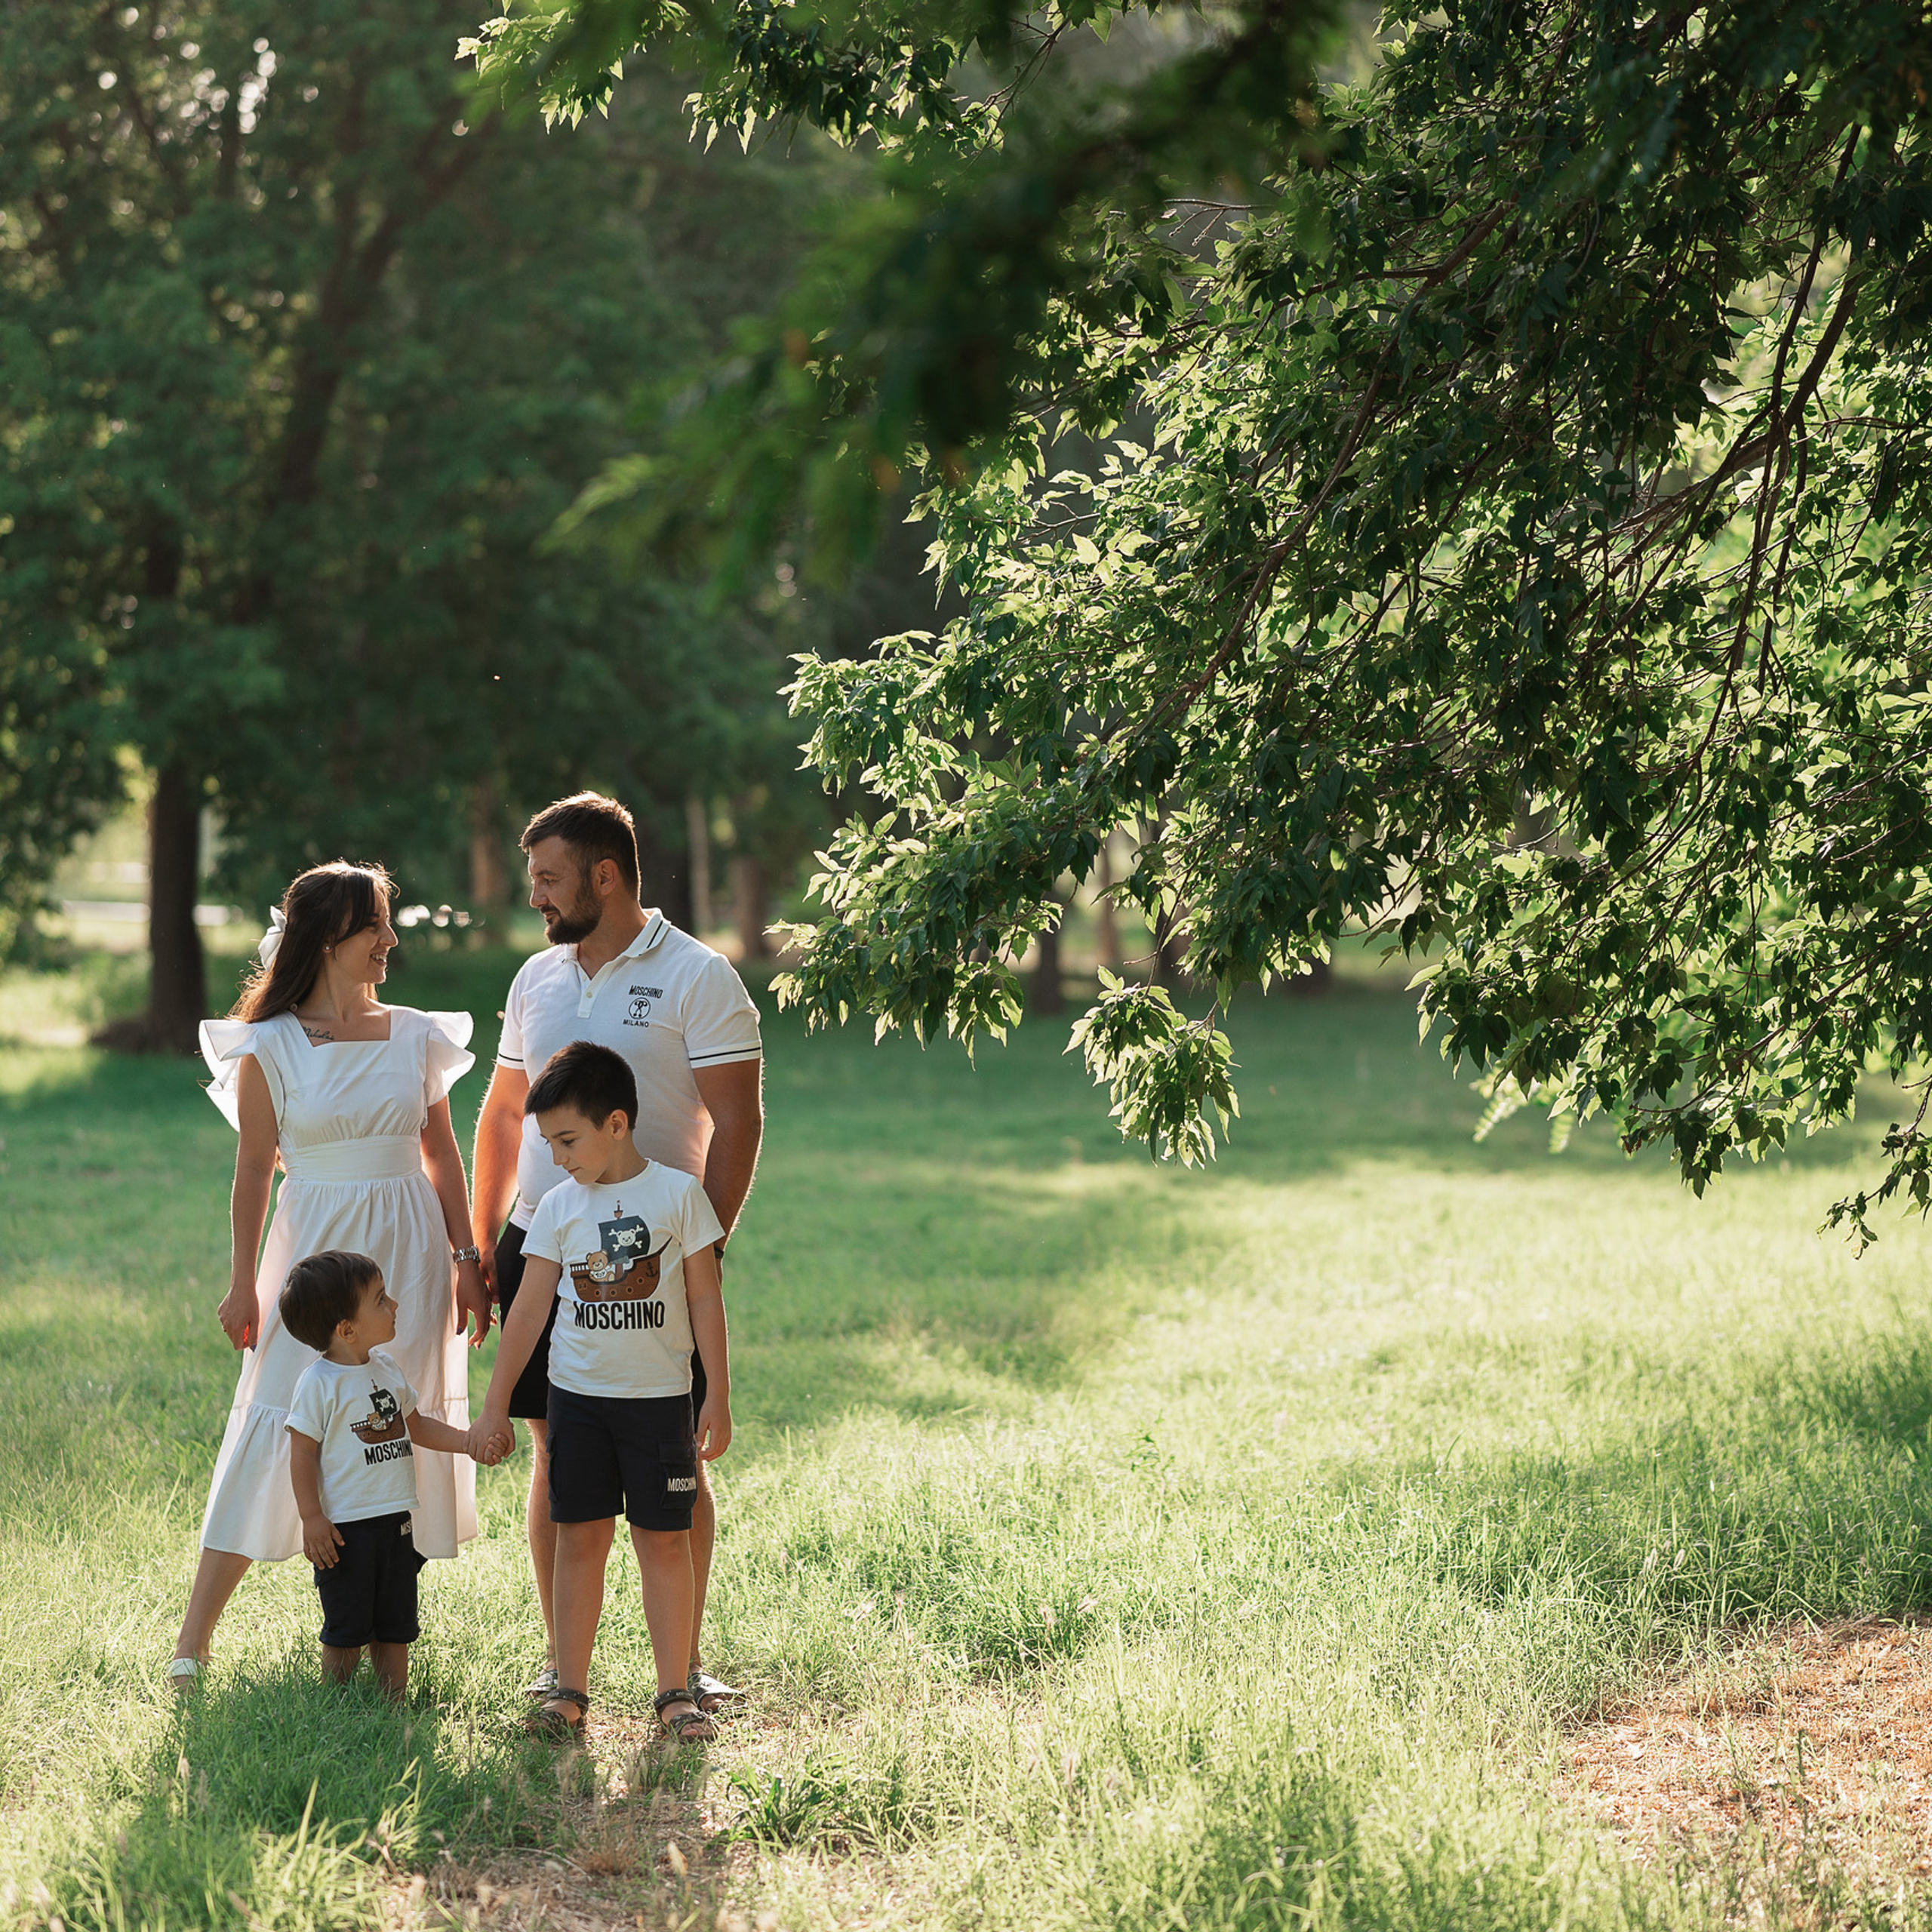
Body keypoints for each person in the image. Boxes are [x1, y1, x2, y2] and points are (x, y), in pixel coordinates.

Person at [167, 861, 494, 1687]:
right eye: (374, 925)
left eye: (387, 921)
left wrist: (465, 1260)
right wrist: (243, 1282)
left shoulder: (419, 1032)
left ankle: (382, 1640)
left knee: (389, 1419)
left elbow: (441, 1152)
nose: (391, 939)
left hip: (408, 1253)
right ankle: (192, 1641)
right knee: (273, 1417)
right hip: (309, 1253)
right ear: (326, 938)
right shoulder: (268, 1043)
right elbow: (252, 1172)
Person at [470, 793, 762, 1707]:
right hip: (538, 1245)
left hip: (654, 1255)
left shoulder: (699, 975)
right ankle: (566, 1669)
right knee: (560, 1456)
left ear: (606, 874)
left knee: (671, 1449)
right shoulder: (536, 978)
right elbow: (501, 1117)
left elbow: (740, 1121)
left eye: (551, 881)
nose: (539, 901)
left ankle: (684, 1670)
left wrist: (697, 1249)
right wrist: (480, 1248)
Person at [469, 1041, 731, 1743]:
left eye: (567, 1139)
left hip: (659, 1404)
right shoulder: (556, 1206)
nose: (557, 1156)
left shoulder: (677, 1195)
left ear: (617, 1124)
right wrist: (495, 1404)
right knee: (579, 1540)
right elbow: (525, 1312)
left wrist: (718, 1397)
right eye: (548, 1142)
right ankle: (569, 1691)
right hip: (576, 1402)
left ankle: (676, 1690)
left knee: (663, 1544)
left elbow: (706, 1299)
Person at [282, 1250, 501, 1697]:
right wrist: (311, 1517)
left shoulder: (385, 1370)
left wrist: (466, 1442)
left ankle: (392, 1702)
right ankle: (335, 1702)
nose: (395, 1305)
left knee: (396, 1619)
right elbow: (302, 1453)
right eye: (381, 1300)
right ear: (347, 1330)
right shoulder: (318, 1384)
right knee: (347, 1620)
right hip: (346, 1529)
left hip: (396, 1519)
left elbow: (414, 1425)